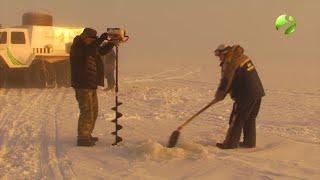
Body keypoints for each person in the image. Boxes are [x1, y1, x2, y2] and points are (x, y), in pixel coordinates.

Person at [212, 44, 265, 149]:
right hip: (257, 93)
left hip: (245, 95)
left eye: (219, 55)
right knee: (249, 118)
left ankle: (230, 144)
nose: (219, 58)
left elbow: (226, 82)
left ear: (225, 53)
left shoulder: (231, 62)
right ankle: (249, 142)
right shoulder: (242, 57)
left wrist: (219, 96)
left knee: (237, 119)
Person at [70, 28, 115, 146]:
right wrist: (101, 38)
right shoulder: (78, 46)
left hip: (91, 84)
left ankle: (87, 133)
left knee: (93, 111)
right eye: (92, 39)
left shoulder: (89, 47)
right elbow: (90, 49)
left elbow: (101, 51)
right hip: (82, 84)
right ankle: (82, 138)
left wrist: (112, 43)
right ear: (85, 37)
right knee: (86, 111)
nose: (94, 41)